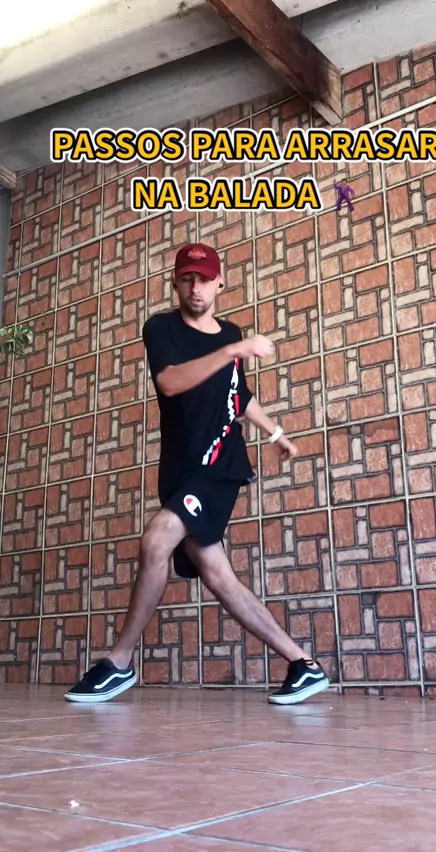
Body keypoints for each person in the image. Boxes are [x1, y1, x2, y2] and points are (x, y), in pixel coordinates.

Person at [65, 242, 330, 706]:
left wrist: (275, 433)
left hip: (219, 463)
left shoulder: (230, 334)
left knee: (157, 540)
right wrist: (233, 349)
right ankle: (303, 664)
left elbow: (237, 395)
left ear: (220, 283)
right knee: (217, 575)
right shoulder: (162, 328)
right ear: (175, 282)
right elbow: (169, 382)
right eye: (187, 278)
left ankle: (118, 662)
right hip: (180, 468)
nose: (196, 287)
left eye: (205, 279)